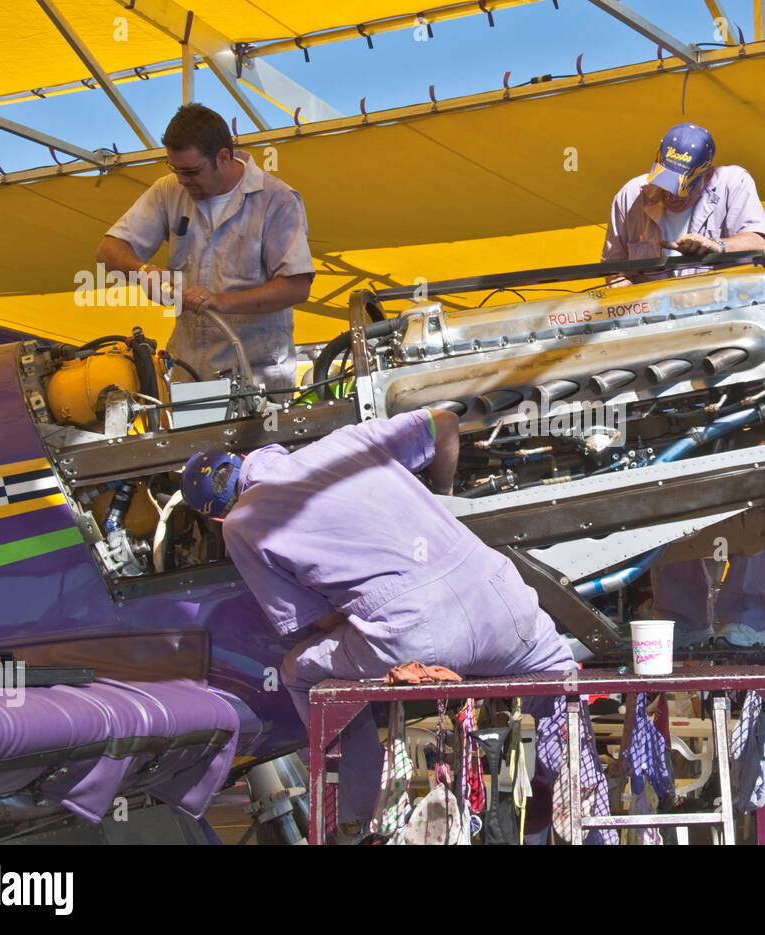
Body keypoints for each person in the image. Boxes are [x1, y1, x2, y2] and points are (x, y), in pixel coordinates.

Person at [181, 409, 575, 834]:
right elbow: (443, 422)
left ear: (216, 516)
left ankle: (358, 818)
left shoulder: (240, 524)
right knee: (557, 674)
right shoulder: (344, 441)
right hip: (504, 597)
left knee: (301, 674)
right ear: (243, 459)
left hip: (415, 630)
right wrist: (441, 496)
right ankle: (567, 785)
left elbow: (315, 621)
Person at [601, 122, 765, 647]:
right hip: (658, 365)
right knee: (664, 480)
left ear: (706, 175)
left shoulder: (734, 183)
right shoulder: (630, 197)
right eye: (668, 177)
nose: (674, 190)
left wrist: (716, 249)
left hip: (733, 359)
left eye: (687, 181)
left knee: (754, 480)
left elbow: (759, 242)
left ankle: (746, 619)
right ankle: (683, 621)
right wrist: (629, 303)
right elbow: (611, 271)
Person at [97, 103, 315, 395]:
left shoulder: (276, 200)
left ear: (223, 157)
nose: (182, 180)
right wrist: (143, 271)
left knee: (258, 443)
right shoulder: (167, 191)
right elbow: (108, 250)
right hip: (190, 372)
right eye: (174, 169)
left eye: (191, 171)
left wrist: (220, 303)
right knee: (194, 441)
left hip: (257, 373)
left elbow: (297, 286)